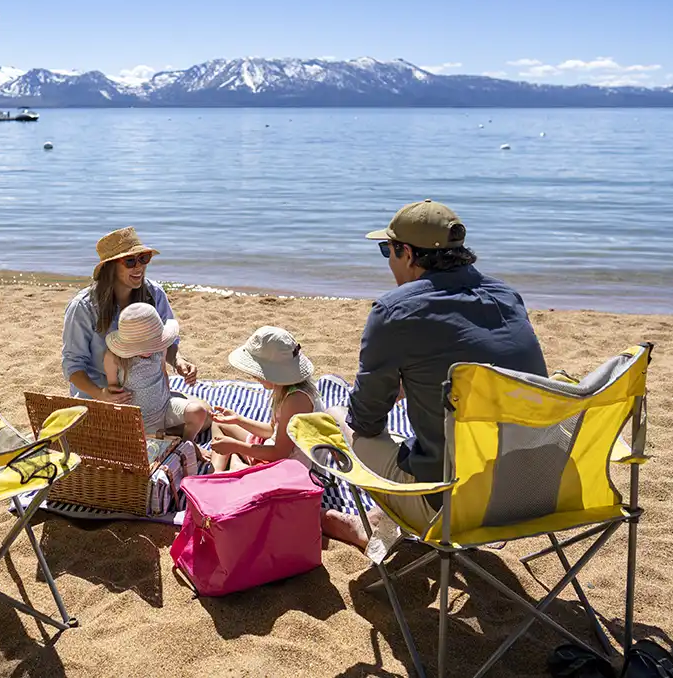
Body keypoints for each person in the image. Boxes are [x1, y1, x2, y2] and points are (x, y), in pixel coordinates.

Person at [322, 200, 548, 548]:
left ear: (408, 254)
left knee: (339, 419)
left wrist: (400, 387)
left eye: (387, 250)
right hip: (535, 495)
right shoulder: (507, 295)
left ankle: (370, 525)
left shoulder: (393, 312)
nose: (388, 260)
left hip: (452, 506)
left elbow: (365, 421)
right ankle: (384, 519)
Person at [62, 226, 209, 437]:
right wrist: (101, 394)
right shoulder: (83, 307)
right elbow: (72, 365)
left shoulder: (153, 294)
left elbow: (164, 342)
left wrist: (178, 361)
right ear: (110, 267)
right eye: (130, 261)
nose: (139, 266)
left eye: (144, 258)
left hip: (146, 396)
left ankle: (152, 434)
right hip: (104, 397)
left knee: (205, 413)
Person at [209, 326, 325, 471]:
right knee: (219, 424)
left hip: (292, 468)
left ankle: (231, 465)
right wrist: (238, 420)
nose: (254, 377)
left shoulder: (296, 399)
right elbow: (272, 431)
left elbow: (280, 453)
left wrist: (236, 446)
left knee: (239, 472)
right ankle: (217, 471)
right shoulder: (284, 389)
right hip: (276, 450)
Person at [103, 303, 200, 438]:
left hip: (165, 406)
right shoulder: (114, 358)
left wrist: (167, 395)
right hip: (140, 417)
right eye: (144, 346)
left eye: (154, 343)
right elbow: (112, 387)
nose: (150, 349)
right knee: (157, 441)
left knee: (198, 412)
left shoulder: (159, 348)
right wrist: (117, 396)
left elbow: (163, 372)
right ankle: (172, 439)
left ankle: (188, 442)